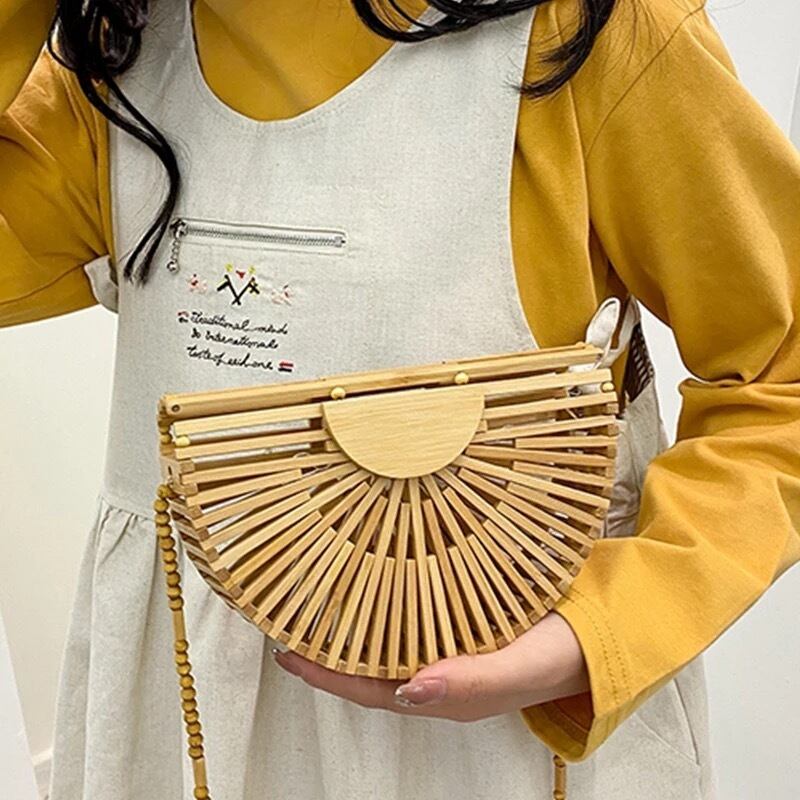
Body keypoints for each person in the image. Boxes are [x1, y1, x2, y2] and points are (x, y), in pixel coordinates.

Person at [1, 1, 798, 798]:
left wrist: (602, 631)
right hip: (186, 722)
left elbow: (781, 378)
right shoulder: (118, 62)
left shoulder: (587, 33)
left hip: (504, 730)